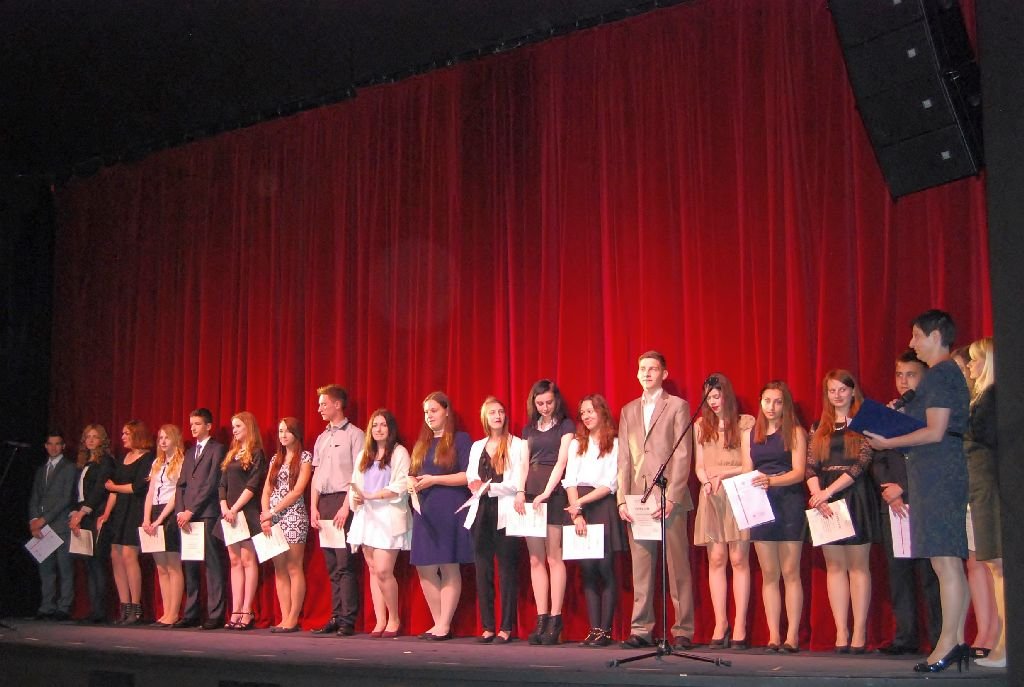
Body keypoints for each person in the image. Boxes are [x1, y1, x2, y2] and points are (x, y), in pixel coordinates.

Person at [865, 310, 971, 673]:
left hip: (939, 471)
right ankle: (953, 641)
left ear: (936, 335)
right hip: (935, 470)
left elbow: (935, 430)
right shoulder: (940, 376)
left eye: (916, 335)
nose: (912, 343)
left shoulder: (940, 373)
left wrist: (890, 440)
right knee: (945, 561)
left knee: (945, 561)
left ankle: (949, 643)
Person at [617, 351, 694, 649]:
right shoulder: (628, 410)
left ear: (664, 373)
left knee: (677, 566)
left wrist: (673, 496)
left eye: (653, 369)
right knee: (642, 567)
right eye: (642, 369)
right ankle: (641, 629)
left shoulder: (677, 406)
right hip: (639, 498)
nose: (647, 373)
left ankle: (683, 629)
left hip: (668, 496)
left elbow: (683, 454)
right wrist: (622, 500)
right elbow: (624, 459)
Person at [870, 350, 941, 655]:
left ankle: (939, 638)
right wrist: (888, 489)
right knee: (898, 573)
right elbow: (878, 457)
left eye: (910, 374)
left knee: (929, 574)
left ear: (924, 376)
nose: (903, 381)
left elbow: (933, 458)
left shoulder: (932, 412)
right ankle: (905, 637)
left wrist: (905, 487)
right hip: (893, 503)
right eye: (899, 374)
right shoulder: (892, 410)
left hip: (922, 500)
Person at [805, 370, 881, 653]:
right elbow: (810, 466)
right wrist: (817, 495)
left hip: (854, 494)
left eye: (842, 390)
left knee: (858, 566)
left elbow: (861, 464)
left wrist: (828, 492)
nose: (837, 395)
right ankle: (841, 631)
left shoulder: (864, 423)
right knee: (834, 566)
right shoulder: (818, 426)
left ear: (852, 391)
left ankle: (859, 631)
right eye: (831, 390)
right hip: (823, 499)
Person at [742, 381, 807, 653]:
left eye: (777, 401)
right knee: (769, 573)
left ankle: (792, 636)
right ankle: (773, 636)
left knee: (790, 571)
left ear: (785, 404)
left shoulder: (796, 432)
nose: (771, 406)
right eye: (767, 400)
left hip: (789, 502)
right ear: (760, 402)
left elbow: (799, 472)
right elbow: (747, 471)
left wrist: (771, 481)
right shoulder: (751, 434)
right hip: (761, 504)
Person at [692, 374, 753, 649]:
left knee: (738, 558)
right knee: (716, 558)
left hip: (737, 491)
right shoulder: (700, 426)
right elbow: (699, 465)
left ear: (726, 395)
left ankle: (740, 624)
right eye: (708, 397)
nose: (713, 402)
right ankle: (721, 622)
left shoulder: (745, 422)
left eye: (716, 396)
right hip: (711, 493)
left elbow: (748, 466)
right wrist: (705, 481)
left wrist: (724, 475)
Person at [409, 391, 473, 640]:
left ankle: (444, 625)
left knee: (448, 565)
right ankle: (438, 622)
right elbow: (413, 473)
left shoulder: (460, 439)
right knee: (424, 567)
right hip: (424, 510)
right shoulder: (422, 443)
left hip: (450, 508)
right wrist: (410, 481)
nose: (429, 416)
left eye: (433, 410)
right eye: (426, 412)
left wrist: (435, 479)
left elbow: (467, 476)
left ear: (446, 411)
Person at [563, 394, 625, 647]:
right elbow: (569, 480)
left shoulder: (615, 443)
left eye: (590, 411)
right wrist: (576, 512)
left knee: (605, 568)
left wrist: (580, 503)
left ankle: (606, 631)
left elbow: (610, 483)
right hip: (579, 507)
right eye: (583, 412)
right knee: (587, 570)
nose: (586, 416)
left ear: (602, 412)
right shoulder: (576, 444)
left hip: (602, 505)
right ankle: (594, 628)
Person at [348, 409, 411, 638]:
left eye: (383, 425)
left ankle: (394, 618)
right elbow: (355, 484)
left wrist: (373, 495)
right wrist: (356, 499)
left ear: (390, 428)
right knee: (374, 571)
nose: (378, 429)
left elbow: (401, 485)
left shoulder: (399, 452)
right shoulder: (364, 455)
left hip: (388, 517)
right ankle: (380, 620)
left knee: (384, 570)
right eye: (374, 425)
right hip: (367, 517)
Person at [520, 379, 574, 645]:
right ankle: (541, 618)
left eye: (549, 402)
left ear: (556, 400)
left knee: (554, 557)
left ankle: (555, 618)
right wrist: (521, 491)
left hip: (553, 494)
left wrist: (546, 492)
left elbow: (562, 462)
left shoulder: (566, 425)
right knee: (535, 559)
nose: (544, 407)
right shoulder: (529, 428)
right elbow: (523, 462)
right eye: (539, 403)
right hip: (531, 492)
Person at [466, 397, 524, 643]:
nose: (497, 416)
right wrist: (475, 484)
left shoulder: (517, 444)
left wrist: (491, 487)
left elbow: (518, 481)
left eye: (500, 411)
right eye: (492, 412)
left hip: (505, 511)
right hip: (481, 511)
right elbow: (470, 474)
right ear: (485, 417)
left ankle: (506, 627)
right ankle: (488, 626)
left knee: (507, 570)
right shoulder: (477, 446)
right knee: (483, 570)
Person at [309, 384, 365, 637]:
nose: (319, 408)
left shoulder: (355, 435)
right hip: (324, 502)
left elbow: (358, 474)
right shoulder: (322, 438)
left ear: (338, 404)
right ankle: (335, 615)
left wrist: (346, 506)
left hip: (345, 501)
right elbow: (317, 475)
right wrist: (313, 506)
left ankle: (348, 619)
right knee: (332, 565)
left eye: (324, 404)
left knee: (345, 564)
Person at [963, 337, 1005, 668]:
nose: (970, 365)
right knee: (990, 564)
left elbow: (985, 439)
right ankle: (1000, 642)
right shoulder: (979, 397)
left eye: (975, 360)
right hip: (977, 487)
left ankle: (1005, 645)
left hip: (989, 486)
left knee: (999, 566)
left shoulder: (991, 398)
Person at [174, 408, 228, 629]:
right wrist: (180, 511)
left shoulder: (217, 449)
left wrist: (191, 510)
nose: (193, 428)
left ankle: (215, 613)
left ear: (208, 426)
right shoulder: (189, 453)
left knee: (212, 565)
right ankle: (191, 613)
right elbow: (181, 485)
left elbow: (212, 483)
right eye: (191, 424)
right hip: (186, 517)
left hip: (206, 514)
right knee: (190, 565)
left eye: (197, 424)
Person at [259, 417, 313, 633]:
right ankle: (283, 617)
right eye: (280, 431)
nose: (283, 435)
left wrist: (273, 511)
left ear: (296, 434)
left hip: (293, 517)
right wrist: (266, 515)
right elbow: (266, 489)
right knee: (279, 569)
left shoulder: (305, 457)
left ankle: (293, 618)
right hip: (272, 518)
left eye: (287, 431)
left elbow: (298, 491)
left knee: (293, 566)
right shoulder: (275, 458)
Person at [218, 411, 267, 631]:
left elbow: (252, 485)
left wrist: (235, 508)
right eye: (233, 427)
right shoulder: (232, 454)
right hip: (229, 514)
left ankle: (247, 610)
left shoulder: (256, 453)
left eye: (238, 426)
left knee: (248, 560)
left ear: (248, 427)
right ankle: (236, 610)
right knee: (234, 561)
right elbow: (222, 484)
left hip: (245, 513)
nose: (234, 430)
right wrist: (224, 508)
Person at [103, 420, 156, 625]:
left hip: (136, 510)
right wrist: (106, 514)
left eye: (127, 433)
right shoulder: (124, 457)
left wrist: (115, 488)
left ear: (137, 435)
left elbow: (137, 488)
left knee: (129, 555)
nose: (123, 437)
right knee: (115, 554)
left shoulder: (147, 458)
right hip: (120, 511)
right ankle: (124, 606)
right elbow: (114, 489)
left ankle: (136, 607)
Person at [68, 424, 116, 623]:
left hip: (96, 515)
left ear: (102, 440)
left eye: (95, 437)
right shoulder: (83, 463)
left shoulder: (105, 461)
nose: (90, 440)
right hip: (83, 515)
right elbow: (76, 492)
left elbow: (99, 490)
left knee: (97, 563)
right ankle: (93, 609)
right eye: (87, 436)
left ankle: (100, 611)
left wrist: (82, 512)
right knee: (88, 563)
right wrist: (74, 514)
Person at [28, 431, 77, 621]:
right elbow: (34, 497)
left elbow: (65, 499)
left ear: (63, 446)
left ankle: (63, 607)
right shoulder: (41, 469)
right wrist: (34, 521)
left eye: (57, 444)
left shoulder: (69, 468)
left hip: (60, 525)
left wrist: (43, 519)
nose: (54, 447)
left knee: (65, 568)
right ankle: (46, 606)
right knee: (46, 569)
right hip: (42, 528)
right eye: (50, 444)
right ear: (46, 446)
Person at [142, 424, 185, 627]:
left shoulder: (181, 461)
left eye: (167, 437)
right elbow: (150, 492)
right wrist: (146, 518)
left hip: (170, 513)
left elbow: (177, 494)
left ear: (175, 439)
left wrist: (160, 519)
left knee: (173, 565)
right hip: (155, 512)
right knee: (161, 566)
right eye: (160, 438)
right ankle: (165, 612)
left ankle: (173, 613)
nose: (163, 441)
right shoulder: (157, 462)